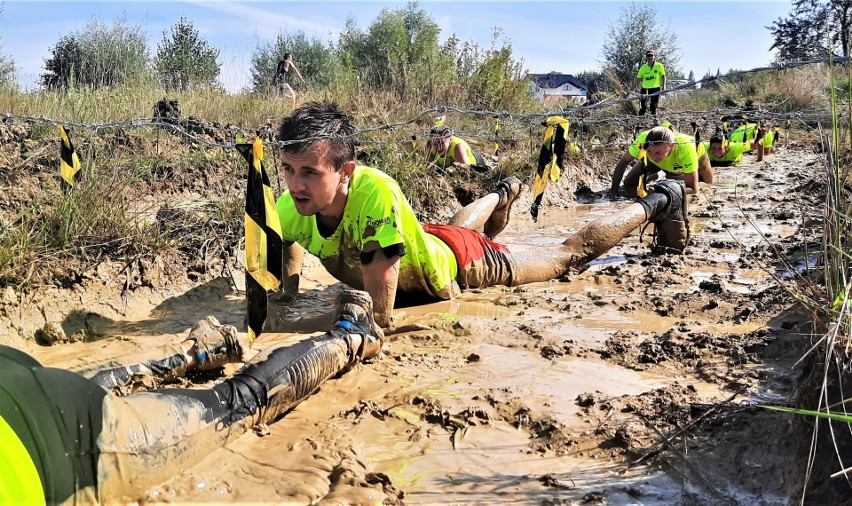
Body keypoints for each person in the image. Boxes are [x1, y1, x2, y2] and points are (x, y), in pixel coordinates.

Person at [274, 102, 692, 330]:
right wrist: (287, 296)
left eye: (310, 172)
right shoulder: (290, 204)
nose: (295, 185)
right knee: (451, 229)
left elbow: (378, 316)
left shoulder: (376, 192)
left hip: (461, 265)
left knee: (568, 255)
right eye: (288, 169)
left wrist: (285, 325)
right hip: (423, 241)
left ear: (345, 171)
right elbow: (288, 239)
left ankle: (655, 201)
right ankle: (500, 192)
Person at [0, 289, 382, 504]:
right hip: (15, 379)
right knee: (66, 387)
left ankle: (352, 335)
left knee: (240, 400)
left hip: (62, 443)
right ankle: (199, 349)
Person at [610, 124, 713, 196]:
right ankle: (657, 175)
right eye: (649, 151)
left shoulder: (685, 148)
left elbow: (692, 189)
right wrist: (613, 191)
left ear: (672, 147)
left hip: (697, 157)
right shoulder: (642, 140)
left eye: (658, 152)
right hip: (663, 161)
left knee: (707, 185)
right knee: (629, 183)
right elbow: (623, 162)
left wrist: (660, 192)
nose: (654, 157)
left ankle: (670, 175)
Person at [633, 49, 666, 117]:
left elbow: (663, 76)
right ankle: (640, 121)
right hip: (645, 89)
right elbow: (637, 79)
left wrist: (664, 86)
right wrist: (629, 91)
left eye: (651, 55)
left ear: (654, 56)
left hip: (655, 89)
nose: (650, 57)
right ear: (646, 57)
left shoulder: (659, 66)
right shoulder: (643, 67)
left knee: (653, 107)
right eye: (648, 56)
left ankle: (654, 121)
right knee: (643, 107)